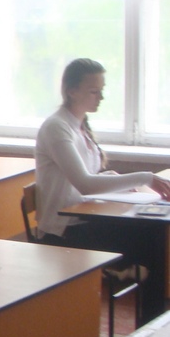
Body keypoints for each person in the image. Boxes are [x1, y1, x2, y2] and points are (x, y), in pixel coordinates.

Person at [35, 58, 170, 323]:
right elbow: (85, 184)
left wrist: (111, 178)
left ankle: (150, 320)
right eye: (94, 91)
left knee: (155, 236)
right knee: (152, 241)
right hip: (64, 230)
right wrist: (146, 177)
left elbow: (87, 177)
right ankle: (150, 322)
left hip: (85, 218)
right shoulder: (56, 127)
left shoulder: (79, 124)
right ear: (71, 91)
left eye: (102, 90)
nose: (101, 97)